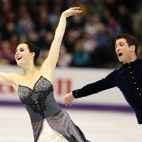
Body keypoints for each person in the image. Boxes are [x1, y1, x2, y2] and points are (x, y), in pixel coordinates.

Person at [0, 7, 90, 142]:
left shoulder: (46, 69)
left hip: (61, 125)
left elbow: (57, 39)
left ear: (32, 54)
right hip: (40, 132)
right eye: (16, 50)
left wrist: (63, 16)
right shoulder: (15, 78)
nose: (17, 52)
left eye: (21, 50)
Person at [62, 33, 142, 125]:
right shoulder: (117, 75)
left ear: (132, 48)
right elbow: (96, 86)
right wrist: (75, 94)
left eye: (121, 45)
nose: (117, 48)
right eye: (116, 46)